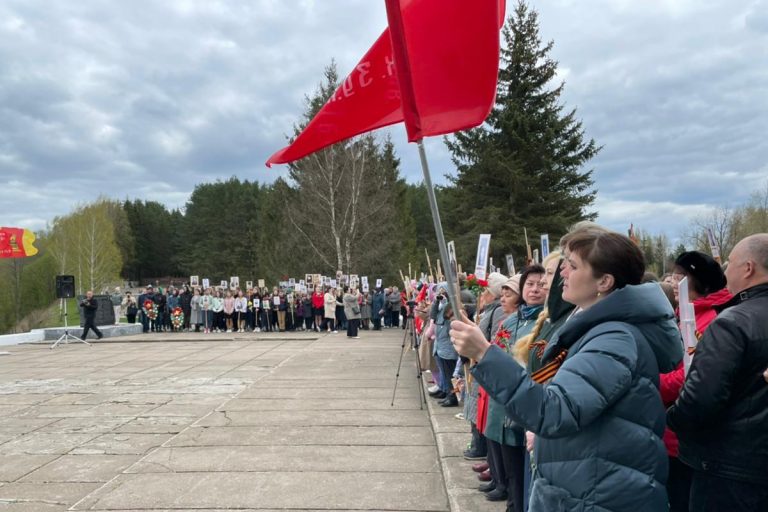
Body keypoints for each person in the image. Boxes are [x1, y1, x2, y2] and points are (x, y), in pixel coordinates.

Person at [451, 229, 682, 512]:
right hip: (589, 486)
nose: (562, 272)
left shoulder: (614, 340)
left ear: (604, 281)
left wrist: (484, 354)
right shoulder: (602, 331)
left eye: (572, 265)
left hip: (599, 495)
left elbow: (554, 411)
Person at [667, 234, 768, 511]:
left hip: (729, 467)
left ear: (748, 268)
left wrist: (673, 418)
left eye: (731, 263)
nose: (726, 272)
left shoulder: (732, 323)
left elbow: (701, 398)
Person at [660, 251, 731, 512]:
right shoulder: (683, 314)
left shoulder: (711, 318)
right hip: (672, 433)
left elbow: (689, 375)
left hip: (686, 437)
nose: (674, 281)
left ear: (700, 282)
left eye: (682, 276)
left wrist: (646, 381)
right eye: (674, 275)